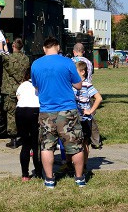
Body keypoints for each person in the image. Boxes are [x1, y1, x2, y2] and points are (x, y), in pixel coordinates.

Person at [31, 36, 86, 189]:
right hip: (67, 110)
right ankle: (79, 178)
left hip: (46, 111)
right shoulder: (67, 62)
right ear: (58, 47)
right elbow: (78, 85)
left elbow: (36, 86)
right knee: (75, 145)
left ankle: (49, 179)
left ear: (44, 48)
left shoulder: (36, 64)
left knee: (47, 146)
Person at [74, 60, 103, 172]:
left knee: (84, 142)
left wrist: (90, 111)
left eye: (75, 72)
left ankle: (84, 165)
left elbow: (99, 98)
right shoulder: (71, 84)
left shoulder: (87, 85)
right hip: (74, 117)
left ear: (82, 72)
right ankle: (72, 163)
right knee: (75, 142)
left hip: (85, 119)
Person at [2, 38, 30, 148]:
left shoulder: (8, 58)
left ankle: (13, 139)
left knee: (11, 114)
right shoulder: (26, 59)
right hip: (22, 89)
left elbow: (2, 55)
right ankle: (24, 135)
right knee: (23, 113)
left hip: (10, 90)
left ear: (13, 46)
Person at [15, 68, 41, 181]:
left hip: (20, 111)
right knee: (36, 145)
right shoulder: (40, 85)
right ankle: (39, 172)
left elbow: (18, 98)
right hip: (35, 110)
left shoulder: (23, 85)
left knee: (25, 144)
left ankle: (25, 175)